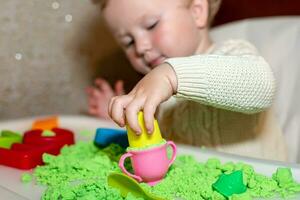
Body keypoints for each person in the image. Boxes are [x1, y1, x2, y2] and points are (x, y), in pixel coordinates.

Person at [88, 0, 287, 161]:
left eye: (151, 25)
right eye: (128, 42)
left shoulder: (233, 54)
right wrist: (125, 120)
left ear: (197, 11)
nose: (140, 47)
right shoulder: (159, 89)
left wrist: (172, 76)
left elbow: (262, 87)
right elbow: (156, 141)